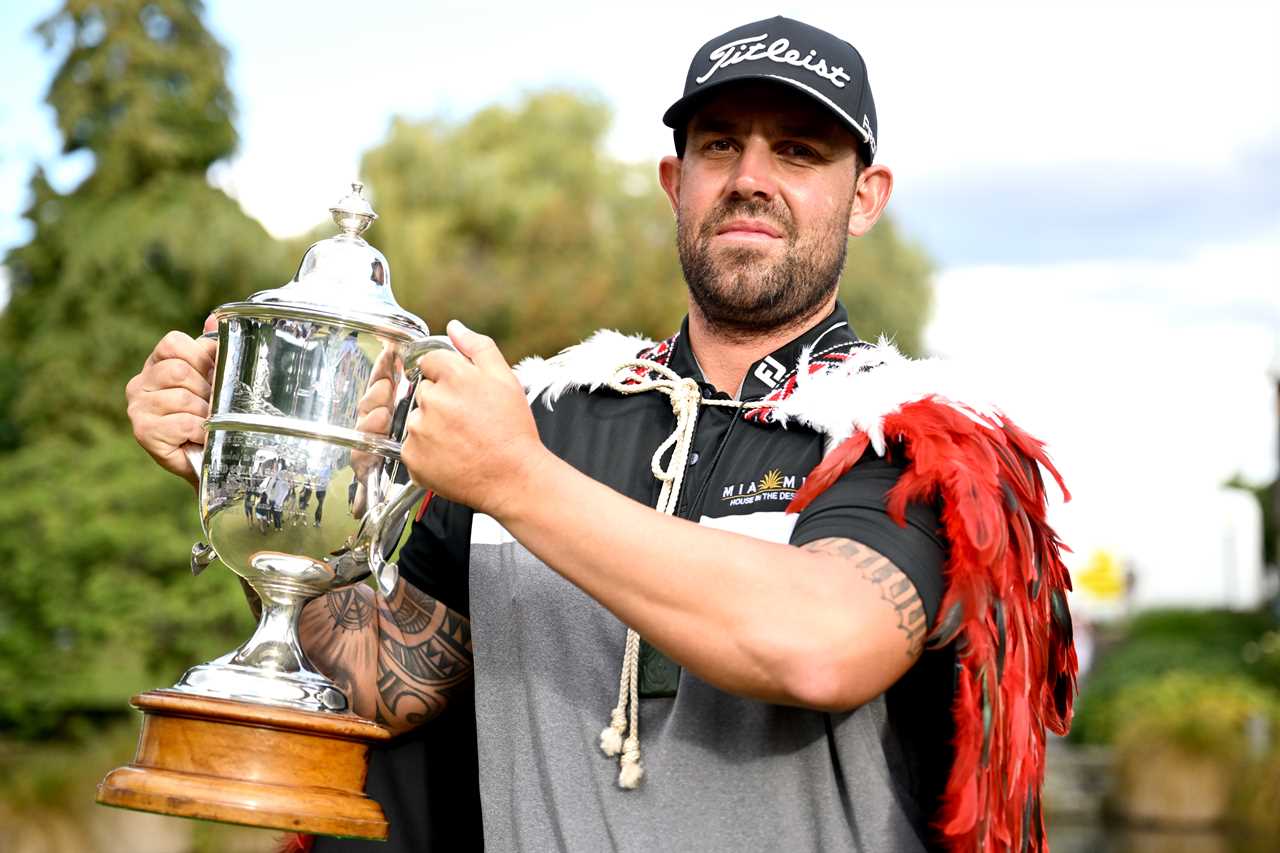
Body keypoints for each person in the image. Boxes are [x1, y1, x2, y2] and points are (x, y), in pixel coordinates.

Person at [125, 16, 1074, 853]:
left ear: (866, 195)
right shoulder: (540, 412)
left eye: (797, 152)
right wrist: (264, 479)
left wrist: (517, 481)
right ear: (676, 180)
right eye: (718, 147)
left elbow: (821, 644)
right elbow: (391, 686)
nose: (750, 180)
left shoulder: (910, 437)